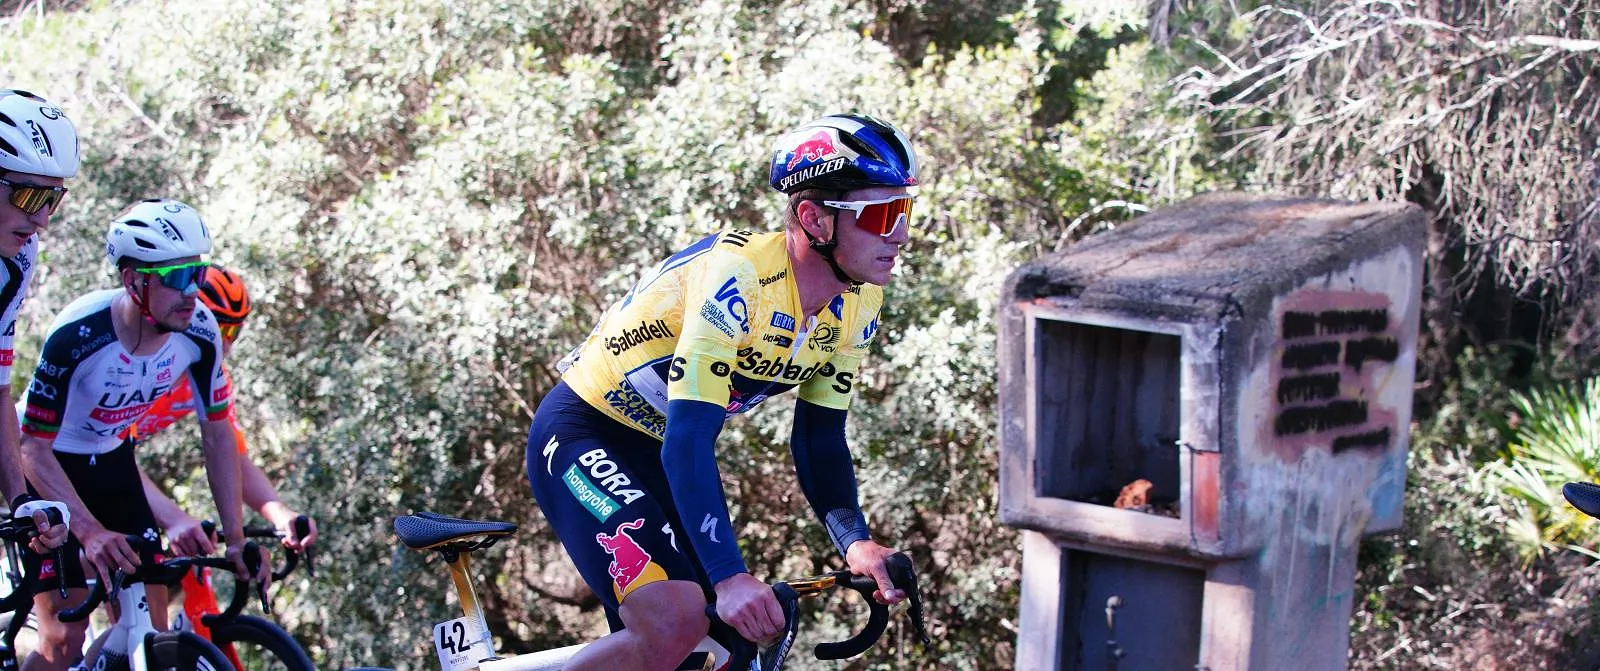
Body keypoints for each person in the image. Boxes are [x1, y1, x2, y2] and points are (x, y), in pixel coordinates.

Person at [525, 113, 917, 671]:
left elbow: (820, 439)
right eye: (881, 214)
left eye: (904, 212)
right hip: (585, 431)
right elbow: (689, 440)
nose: (899, 233)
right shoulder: (738, 276)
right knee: (675, 623)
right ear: (814, 219)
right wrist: (729, 579)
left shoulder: (860, 304)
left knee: (726, 648)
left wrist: (855, 541)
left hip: (656, 449)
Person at [18, 198, 265, 671]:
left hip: (113, 460)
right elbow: (31, 446)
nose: (192, 292)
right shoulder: (78, 333)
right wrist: (88, 532)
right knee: (62, 639)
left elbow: (217, 435)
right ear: (134, 280)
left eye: (198, 273)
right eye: (176, 278)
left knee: (144, 629)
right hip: (49, 466)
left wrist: (234, 539)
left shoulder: (200, 331)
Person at [124, 265, 318, 556]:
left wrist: (278, 513)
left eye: (232, 331)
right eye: (218, 326)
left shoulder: (211, 377)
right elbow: (113, 457)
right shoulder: (139, 365)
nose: (223, 343)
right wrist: (175, 519)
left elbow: (232, 457)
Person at [0, 89, 77, 555]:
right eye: (30, 195)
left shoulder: (17, 258)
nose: (42, 219)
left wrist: (21, 499)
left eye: (53, 198)